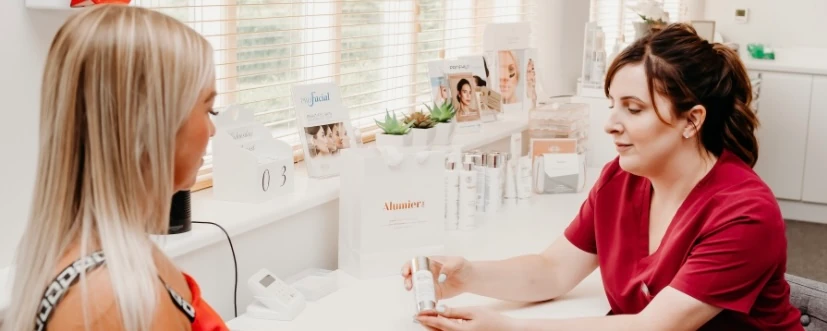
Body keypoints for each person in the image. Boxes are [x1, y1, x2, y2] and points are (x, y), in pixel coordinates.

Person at [402, 23, 804, 331]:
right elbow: (552, 271)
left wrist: (508, 327)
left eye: (633, 108)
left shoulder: (744, 213)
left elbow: (655, 327)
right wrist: (469, 275)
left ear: (691, 120)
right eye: (612, 104)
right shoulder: (621, 179)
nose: (610, 124)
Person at [3, 5, 229, 331]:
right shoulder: (111, 303)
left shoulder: (115, 255)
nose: (211, 130)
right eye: (210, 109)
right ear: (150, 124)